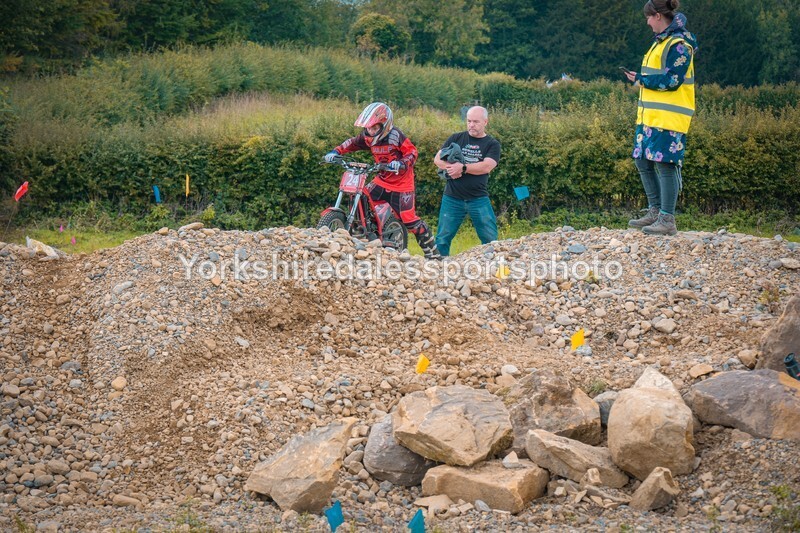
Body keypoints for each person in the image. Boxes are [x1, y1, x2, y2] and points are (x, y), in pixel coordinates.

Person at [324, 102, 441, 259]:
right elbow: (352, 143)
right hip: (382, 180)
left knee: (409, 220)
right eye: (368, 128)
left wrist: (401, 163)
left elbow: (412, 152)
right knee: (362, 196)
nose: (370, 131)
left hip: (402, 185)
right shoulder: (367, 137)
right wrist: (335, 151)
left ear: (384, 125)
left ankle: (433, 253)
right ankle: (366, 231)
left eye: (374, 128)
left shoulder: (395, 136)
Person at [625, 0, 697, 236]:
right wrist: (639, 77)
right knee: (642, 161)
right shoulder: (660, 42)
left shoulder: (679, 45)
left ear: (657, 15)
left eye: (648, 17)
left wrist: (642, 80)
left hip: (669, 117)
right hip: (649, 116)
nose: (647, 22)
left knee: (665, 164)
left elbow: (672, 81)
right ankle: (655, 211)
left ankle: (667, 218)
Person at [433, 106, 501, 256]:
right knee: (442, 239)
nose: (471, 125)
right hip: (452, 197)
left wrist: (463, 168)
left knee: (491, 240)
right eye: (469, 121)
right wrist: (452, 168)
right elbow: (437, 159)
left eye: (476, 122)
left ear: (485, 122)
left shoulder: (492, 144)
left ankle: (494, 266)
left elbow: (487, 166)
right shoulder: (456, 138)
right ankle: (438, 267)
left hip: (478, 198)